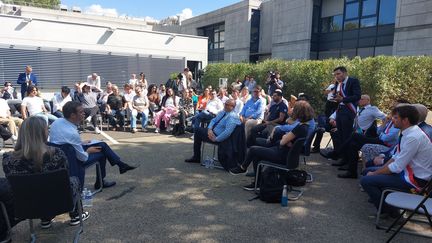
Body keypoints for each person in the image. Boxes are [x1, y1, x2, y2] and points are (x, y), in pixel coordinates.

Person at [2, 116, 90, 227]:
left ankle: (45, 219)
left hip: (26, 205)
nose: (48, 132)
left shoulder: (8, 159)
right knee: (73, 180)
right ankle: (76, 214)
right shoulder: (57, 154)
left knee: (32, 185)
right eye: (46, 129)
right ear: (42, 133)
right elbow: (64, 181)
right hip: (58, 203)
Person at [360, 105, 432, 216]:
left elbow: (397, 167)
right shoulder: (409, 132)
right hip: (406, 173)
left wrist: (374, 173)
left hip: (415, 180)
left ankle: (388, 212)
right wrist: (375, 172)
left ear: (405, 120)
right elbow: (395, 158)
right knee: (367, 172)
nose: (392, 119)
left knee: (366, 180)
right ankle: (391, 208)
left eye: (396, 117)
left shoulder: (413, 137)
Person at [49, 101, 137, 190]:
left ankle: (121, 165)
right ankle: (101, 181)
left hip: (62, 153)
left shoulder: (57, 122)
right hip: (73, 160)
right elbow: (83, 158)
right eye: (81, 112)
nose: (84, 113)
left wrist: (81, 143)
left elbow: (62, 140)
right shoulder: (72, 133)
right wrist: (88, 151)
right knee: (102, 153)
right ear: (72, 115)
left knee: (102, 145)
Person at [229, 101, 314, 190]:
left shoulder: (300, 128)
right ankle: (257, 182)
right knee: (257, 152)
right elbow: (286, 140)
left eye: (294, 110)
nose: (292, 111)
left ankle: (243, 168)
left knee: (253, 149)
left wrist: (286, 138)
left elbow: (283, 141)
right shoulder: (305, 126)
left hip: (282, 155)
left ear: (298, 112)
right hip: (287, 154)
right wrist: (287, 139)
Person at [185, 99, 241, 163]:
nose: (225, 106)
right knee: (198, 129)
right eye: (225, 104)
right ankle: (196, 156)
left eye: (227, 105)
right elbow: (213, 120)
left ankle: (196, 157)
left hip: (219, 138)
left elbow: (227, 132)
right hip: (212, 132)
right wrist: (209, 129)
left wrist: (216, 139)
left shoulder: (232, 117)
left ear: (233, 107)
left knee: (197, 130)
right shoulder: (223, 112)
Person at [331, 66, 361, 149]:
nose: (336, 76)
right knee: (340, 135)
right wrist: (335, 98)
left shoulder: (353, 81)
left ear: (344, 73)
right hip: (340, 110)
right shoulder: (338, 83)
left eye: (338, 74)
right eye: (335, 75)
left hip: (349, 111)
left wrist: (343, 99)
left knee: (347, 136)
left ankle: (350, 161)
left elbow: (357, 96)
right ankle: (343, 158)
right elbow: (337, 95)